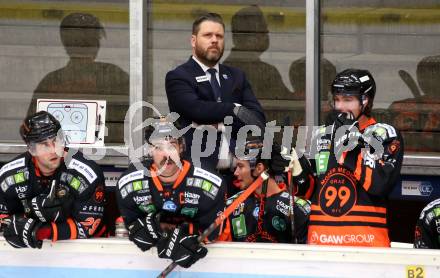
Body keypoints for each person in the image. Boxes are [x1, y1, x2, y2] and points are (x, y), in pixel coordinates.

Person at [290, 69, 404, 247]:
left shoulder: (384, 134)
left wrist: (351, 149)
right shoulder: (321, 135)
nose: (340, 107)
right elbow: (308, 191)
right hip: (320, 244)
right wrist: (296, 170)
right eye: (337, 99)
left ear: (365, 101)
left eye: (348, 100)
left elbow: (380, 185)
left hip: (366, 244)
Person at [116, 117, 226, 268]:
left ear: (181, 147)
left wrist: (191, 238)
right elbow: (130, 226)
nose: (167, 155)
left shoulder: (211, 184)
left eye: (172, 146)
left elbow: (213, 233)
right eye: (159, 147)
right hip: (144, 264)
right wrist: (137, 230)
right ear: (150, 149)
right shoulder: (128, 183)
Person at [165, 12, 266, 170]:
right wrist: (235, 109)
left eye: (219, 36)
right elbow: (196, 110)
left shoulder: (237, 76)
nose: (214, 40)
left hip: (238, 175)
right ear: (193, 40)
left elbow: (257, 118)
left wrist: (219, 124)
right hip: (197, 172)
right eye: (208, 35)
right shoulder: (178, 76)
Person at [0, 111, 106, 248]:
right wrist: (12, 224)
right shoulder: (8, 176)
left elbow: (88, 226)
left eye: (56, 140)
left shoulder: (87, 174)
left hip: (89, 250)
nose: (54, 150)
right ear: (31, 149)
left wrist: (39, 231)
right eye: (44, 144)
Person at [27, 13, 129, 143]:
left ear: (65, 45)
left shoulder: (50, 81)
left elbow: (30, 130)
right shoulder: (115, 76)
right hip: (106, 156)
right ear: (97, 45)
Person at [219, 140, 310, 243]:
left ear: (259, 168)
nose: (235, 173)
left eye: (240, 166)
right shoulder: (232, 205)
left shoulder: (297, 208)